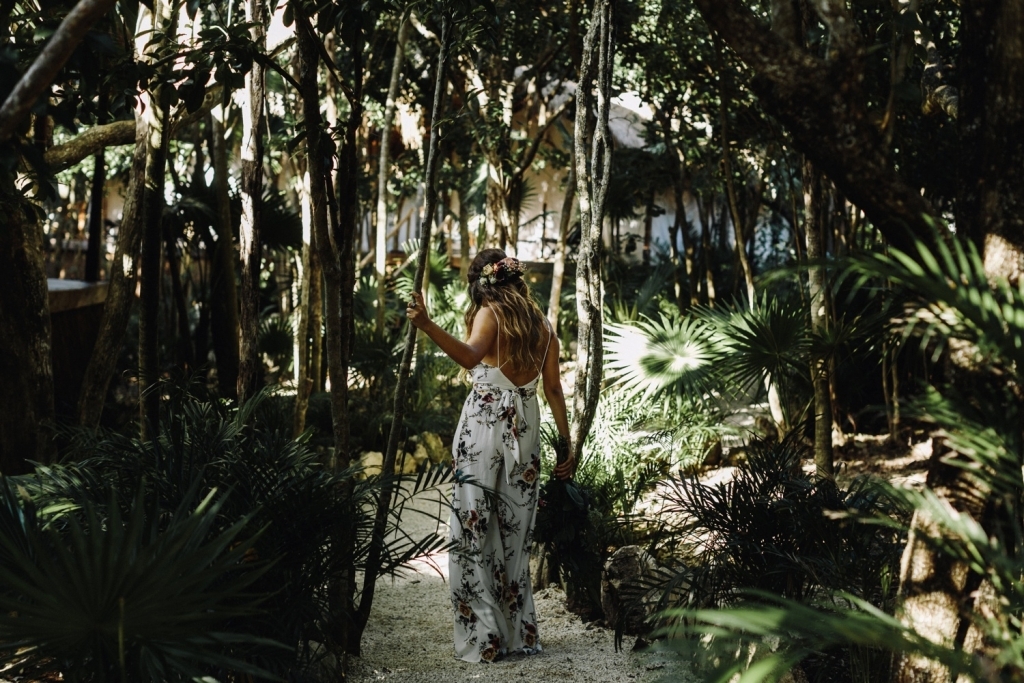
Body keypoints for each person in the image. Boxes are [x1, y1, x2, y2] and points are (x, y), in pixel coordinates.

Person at [406, 248, 573, 663]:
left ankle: (486, 640)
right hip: (526, 429)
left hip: (484, 427)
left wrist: (427, 325)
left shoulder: (490, 314)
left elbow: (469, 356)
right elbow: (553, 390)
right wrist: (566, 445)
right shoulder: (545, 328)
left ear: (483, 282)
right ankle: (521, 636)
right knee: (516, 534)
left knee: (472, 528)